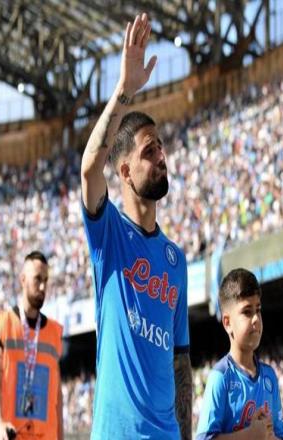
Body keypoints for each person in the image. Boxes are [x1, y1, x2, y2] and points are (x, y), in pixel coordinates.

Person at [80, 12, 192, 440]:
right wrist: (124, 90)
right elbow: (90, 167)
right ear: (124, 171)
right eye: (149, 151)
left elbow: (180, 362)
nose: (161, 156)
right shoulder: (108, 233)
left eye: (161, 147)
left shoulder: (176, 260)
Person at [196, 268, 283, 439]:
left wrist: (268, 435)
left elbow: (281, 436)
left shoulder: (269, 376)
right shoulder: (220, 377)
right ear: (227, 323)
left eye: (258, 310)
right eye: (247, 312)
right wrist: (250, 435)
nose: (256, 318)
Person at [0, 251, 63, 440]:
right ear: (22, 279)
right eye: (37, 279)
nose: (43, 286)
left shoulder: (54, 332)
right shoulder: (3, 323)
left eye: (45, 280)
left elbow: (57, 396)